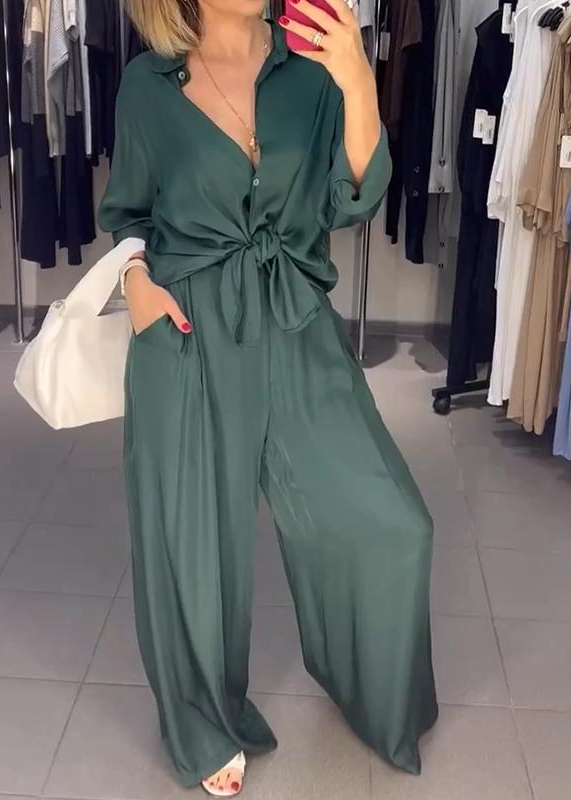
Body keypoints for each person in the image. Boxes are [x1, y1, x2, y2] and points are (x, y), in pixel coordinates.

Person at [98, 0, 438, 795]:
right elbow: (128, 212)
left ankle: (368, 684)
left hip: (292, 316)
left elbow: (354, 199)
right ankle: (202, 719)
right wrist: (137, 282)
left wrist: (358, 82)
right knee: (191, 539)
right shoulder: (146, 83)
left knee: (391, 521)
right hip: (186, 323)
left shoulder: (311, 70)